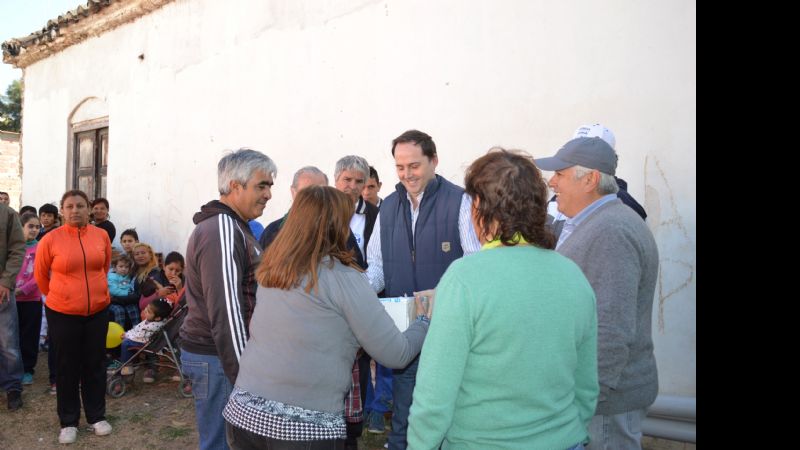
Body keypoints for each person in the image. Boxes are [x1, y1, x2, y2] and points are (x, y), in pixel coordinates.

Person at [407, 149, 598, 449]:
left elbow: (435, 393)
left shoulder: (464, 278)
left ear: (480, 207)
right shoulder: (573, 275)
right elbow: (586, 387)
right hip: (563, 440)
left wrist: (420, 445)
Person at [222, 185, 431, 449]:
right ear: (337, 226)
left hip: (243, 415)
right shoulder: (343, 277)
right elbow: (395, 353)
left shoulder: (273, 270)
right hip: (302, 430)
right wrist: (424, 320)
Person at [535, 137, 660, 450]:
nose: (552, 182)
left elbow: (611, 328)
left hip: (605, 405)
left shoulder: (611, 232)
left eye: (560, 174)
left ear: (590, 179)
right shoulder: (594, 223)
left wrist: (588, 400)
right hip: (598, 399)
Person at [365, 129, 481, 450]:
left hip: (450, 331)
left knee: (448, 418)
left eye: (414, 166)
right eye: (400, 167)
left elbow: (474, 264)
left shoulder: (460, 201)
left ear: (434, 161)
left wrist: (443, 298)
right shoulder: (388, 206)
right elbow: (377, 267)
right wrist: (354, 295)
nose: (407, 174)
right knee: (404, 418)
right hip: (405, 334)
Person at [180, 148, 276, 450]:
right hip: (218, 358)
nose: (268, 194)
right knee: (221, 443)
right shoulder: (222, 228)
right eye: (262, 185)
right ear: (235, 186)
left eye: (270, 186)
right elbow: (226, 311)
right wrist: (245, 375)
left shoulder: (234, 225)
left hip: (221, 358)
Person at [33, 190, 113, 444]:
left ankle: (96, 416)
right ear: (62, 211)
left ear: (89, 209)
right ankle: (68, 421)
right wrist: (61, 297)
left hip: (98, 311)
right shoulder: (50, 239)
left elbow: (104, 267)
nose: (75, 210)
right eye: (69, 206)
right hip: (63, 312)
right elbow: (41, 276)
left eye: (80, 205)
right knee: (67, 366)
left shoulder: (101, 236)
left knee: (95, 363)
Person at [333, 155, 379, 449]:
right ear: (336, 180)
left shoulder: (376, 215)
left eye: (358, 181)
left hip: (362, 308)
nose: (351, 186)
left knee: (358, 377)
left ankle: (352, 434)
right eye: (346, 180)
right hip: (331, 312)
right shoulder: (323, 213)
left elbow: (378, 261)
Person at [547, 124, 646, 238]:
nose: (552, 183)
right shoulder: (560, 197)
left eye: (584, 152)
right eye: (574, 148)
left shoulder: (625, 209)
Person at [259, 166, 328, 249]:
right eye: (307, 192)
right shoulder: (273, 232)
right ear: (293, 192)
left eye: (321, 191)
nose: (314, 197)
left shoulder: (336, 229)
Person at [0, 202, 25, 411]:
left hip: (2, 289)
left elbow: (17, 249)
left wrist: (6, 281)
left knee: (8, 342)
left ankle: (13, 387)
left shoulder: (6, 214)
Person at [14, 212, 44, 387]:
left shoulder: (41, 248)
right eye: (30, 226)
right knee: (11, 336)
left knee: (29, 335)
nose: (34, 230)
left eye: (37, 227)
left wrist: (23, 290)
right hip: (10, 299)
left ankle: (27, 369)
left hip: (31, 300)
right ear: (21, 226)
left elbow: (40, 275)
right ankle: (11, 368)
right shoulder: (12, 247)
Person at [118, 299, 173, 376]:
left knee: (126, 343)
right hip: (144, 340)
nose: (145, 311)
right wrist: (128, 333)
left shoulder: (153, 326)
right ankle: (134, 362)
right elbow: (136, 329)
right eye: (146, 308)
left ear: (157, 318)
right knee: (128, 340)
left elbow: (139, 335)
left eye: (148, 311)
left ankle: (126, 365)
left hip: (146, 343)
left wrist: (127, 336)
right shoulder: (151, 320)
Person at [108, 255, 138, 328]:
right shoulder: (111, 277)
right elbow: (113, 290)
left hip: (125, 301)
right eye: (121, 266)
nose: (124, 269)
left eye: (126, 267)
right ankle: (119, 329)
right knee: (119, 311)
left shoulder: (128, 277)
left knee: (133, 308)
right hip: (114, 302)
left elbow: (130, 287)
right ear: (115, 267)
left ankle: (136, 328)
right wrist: (128, 293)